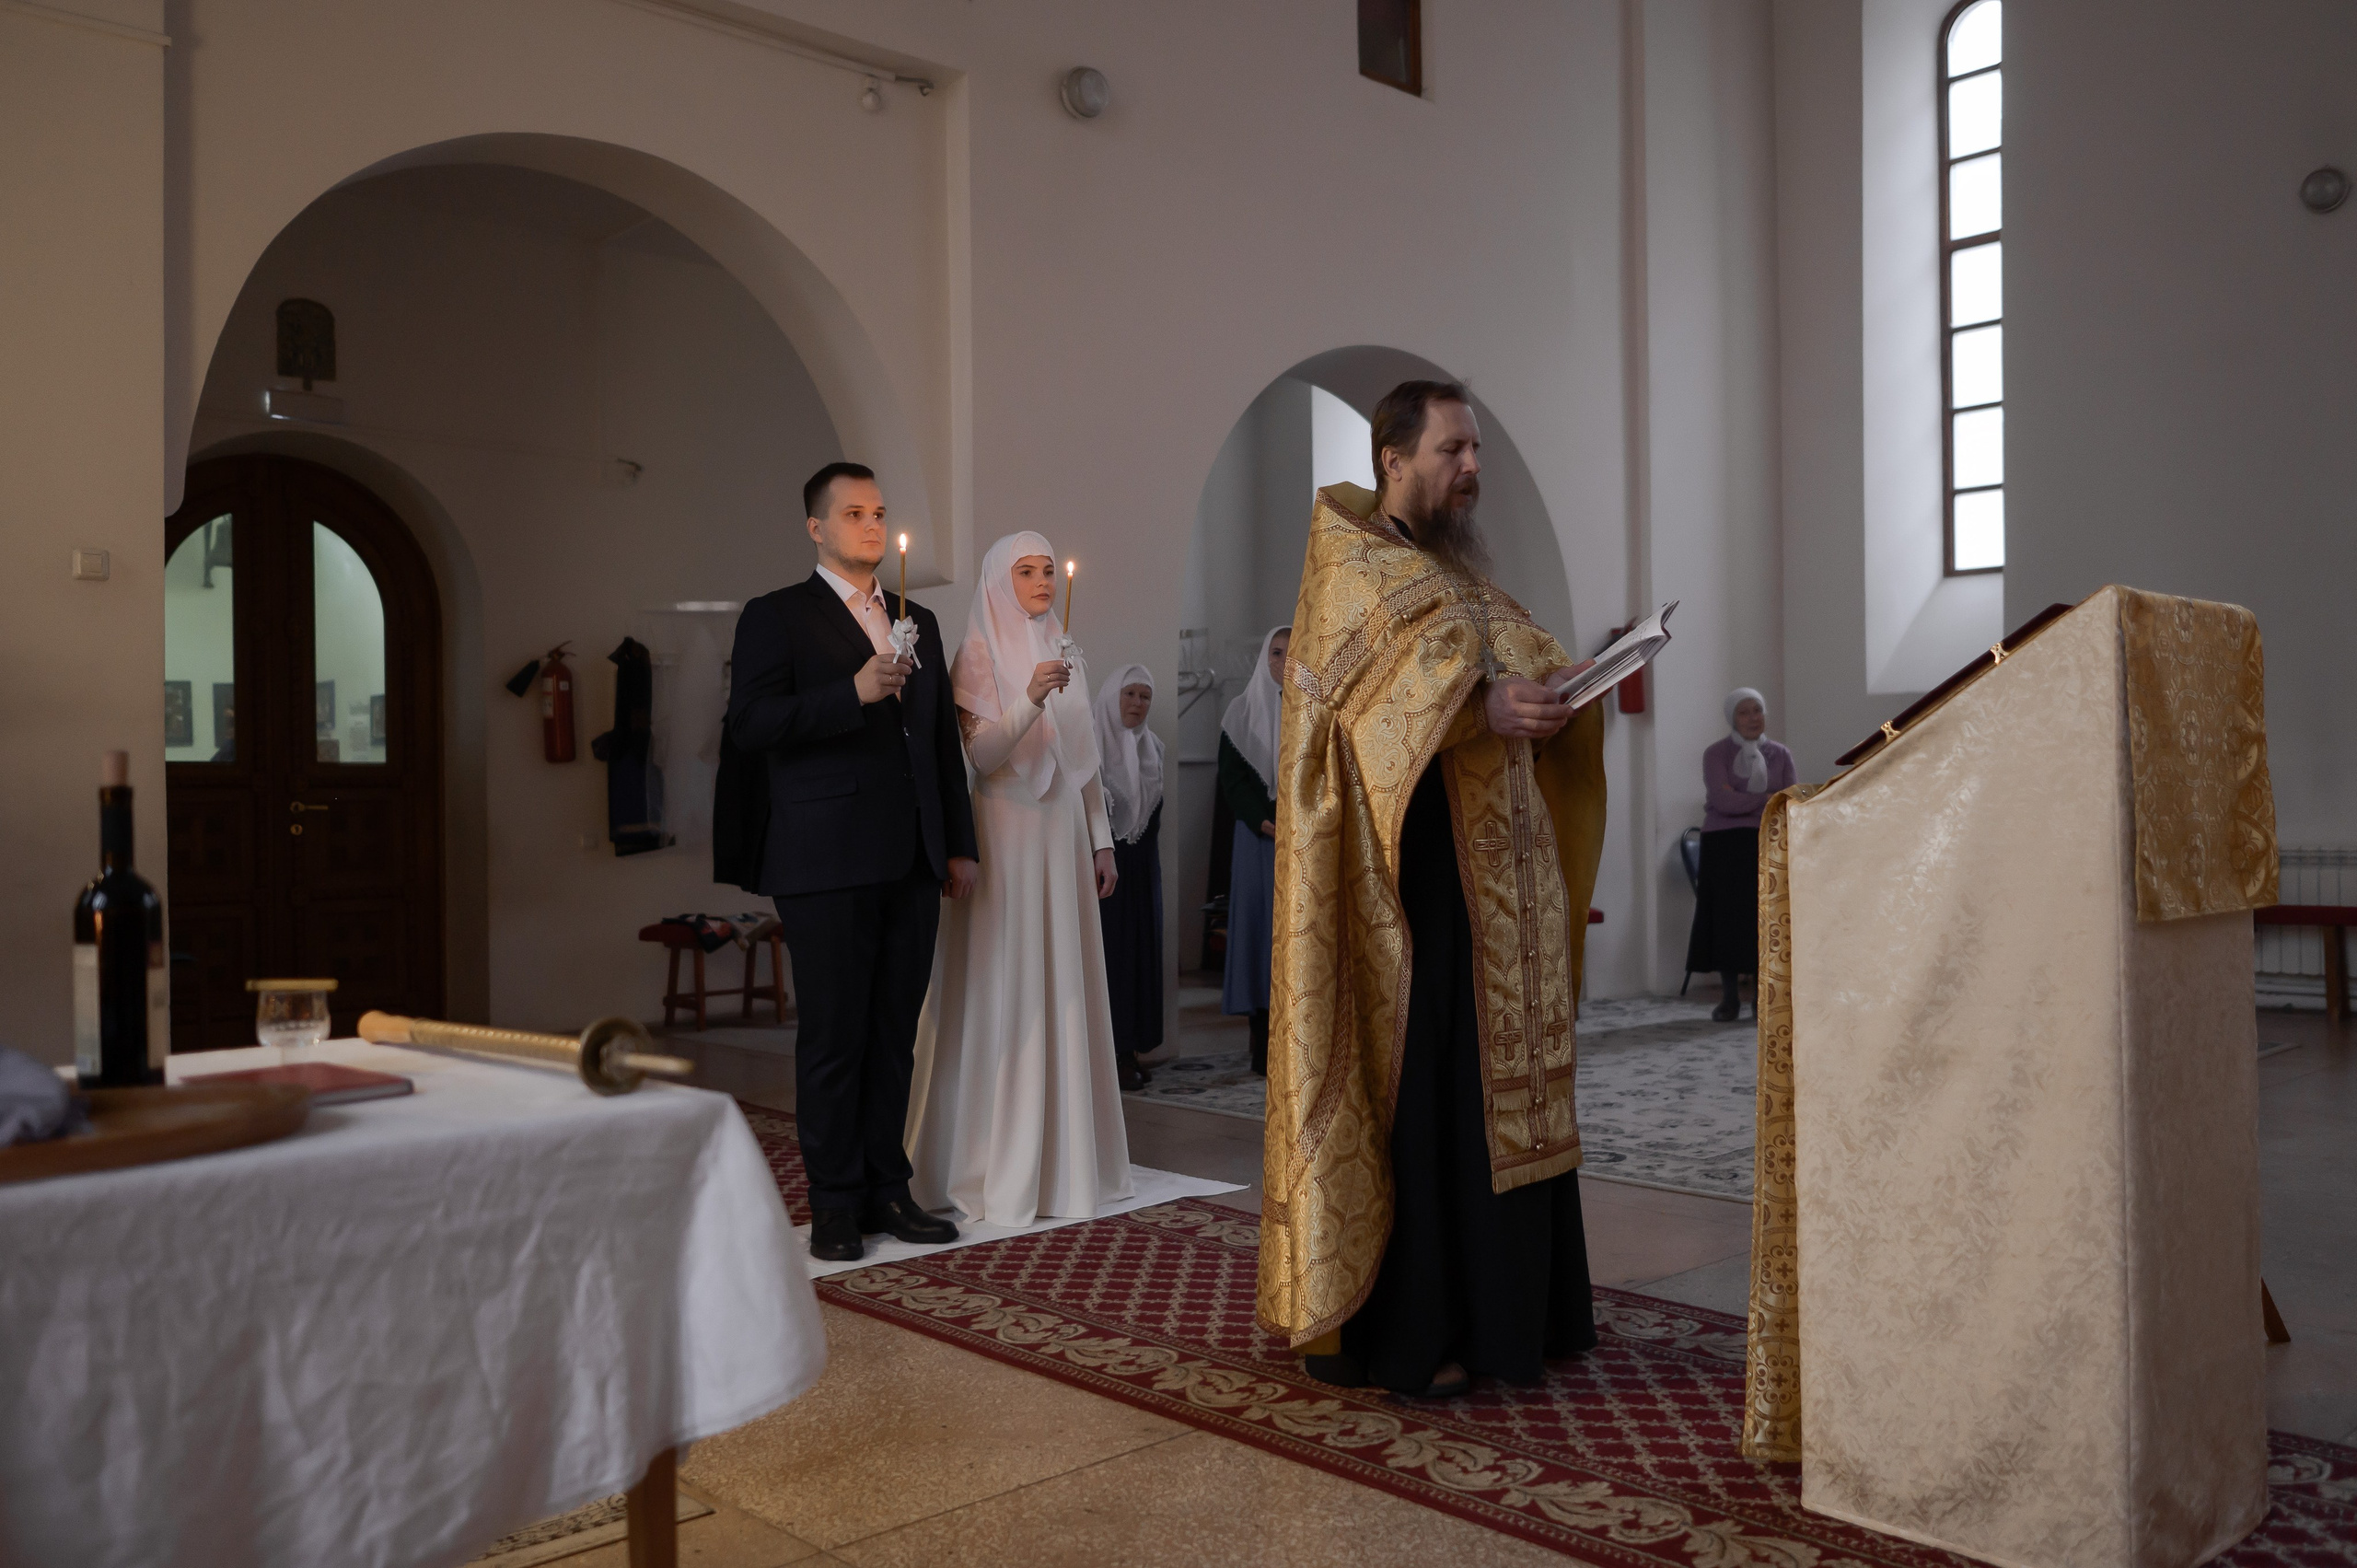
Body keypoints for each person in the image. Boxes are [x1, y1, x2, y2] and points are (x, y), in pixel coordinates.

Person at [1257, 380, 1608, 1400]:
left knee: (1504, 1090)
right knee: (1435, 1098)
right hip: (1408, 895)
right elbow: (1360, 719)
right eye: (1453, 448)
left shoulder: (1456, 574)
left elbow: (1505, 662)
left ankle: (1523, 1314)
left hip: (1498, 878)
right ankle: (1420, 1324)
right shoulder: (1350, 568)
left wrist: (1562, 688)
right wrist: (1477, 702)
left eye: (1475, 450)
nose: (1471, 467)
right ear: (1392, 457)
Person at [725, 461, 979, 1264]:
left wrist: (959, 842)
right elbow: (752, 724)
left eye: (879, 512)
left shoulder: (920, 621)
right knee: (834, 1035)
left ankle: (886, 1188)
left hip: (910, 854)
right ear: (817, 528)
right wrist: (853, 693)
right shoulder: (778, 616)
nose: (872, 525)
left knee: (894, 1031)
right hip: (823, 856)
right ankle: (832, 1201)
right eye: (854, 513)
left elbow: (940, 745)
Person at [904, 532, 1134, 1227]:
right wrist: (1030, 697)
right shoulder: (976, 651)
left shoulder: (1065, 644)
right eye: (1026, 571)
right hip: (1005, 828)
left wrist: (1102, 841)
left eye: (1045, 569)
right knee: (1006, 981)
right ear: (1000, 581)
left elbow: (1083, 758)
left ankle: (1067, 1157)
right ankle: (989, 1156)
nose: (1040, 580)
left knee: (1064, 981)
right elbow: (981, 754)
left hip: (1061, 830)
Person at [1685, 688, 1797, 1022]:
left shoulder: (1781, 754)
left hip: (1768, 841)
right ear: (1732, 718)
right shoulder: (1715, 754)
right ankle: (1730, 998)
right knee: (1726, 920)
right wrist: (1766, 797)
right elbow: (1722, 803)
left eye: (1758, 710)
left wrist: (1748, 797)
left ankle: (1762, 998)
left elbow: (1789, 799)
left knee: (1765, 920)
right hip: (1725, 844)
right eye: (1744, 712)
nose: (1753, 718)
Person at [1218, 626, 1289, 1075]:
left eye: (1294, 651)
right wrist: (1266, 822)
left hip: (1302, 842)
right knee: (1258, 934)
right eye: (1277, 652)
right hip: (1258, 839)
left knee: (1293, 937)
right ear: (1265, 657)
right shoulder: (1239, 712)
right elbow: (1233, 781)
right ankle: (1260, 1036)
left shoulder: (1314, 710)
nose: (1285, 660)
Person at [1092, 664, 1166, 1091]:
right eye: (1129, 694)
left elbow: (1151, 816)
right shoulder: (1092, 747)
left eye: (1145, 696)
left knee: (1140, 957)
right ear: (1110, 697)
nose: (1137, 704)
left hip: (1142, 871)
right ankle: (1107, 1054)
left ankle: (1131, 1050)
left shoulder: (1153, 747)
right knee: (1111, 959)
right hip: (1103, 873)